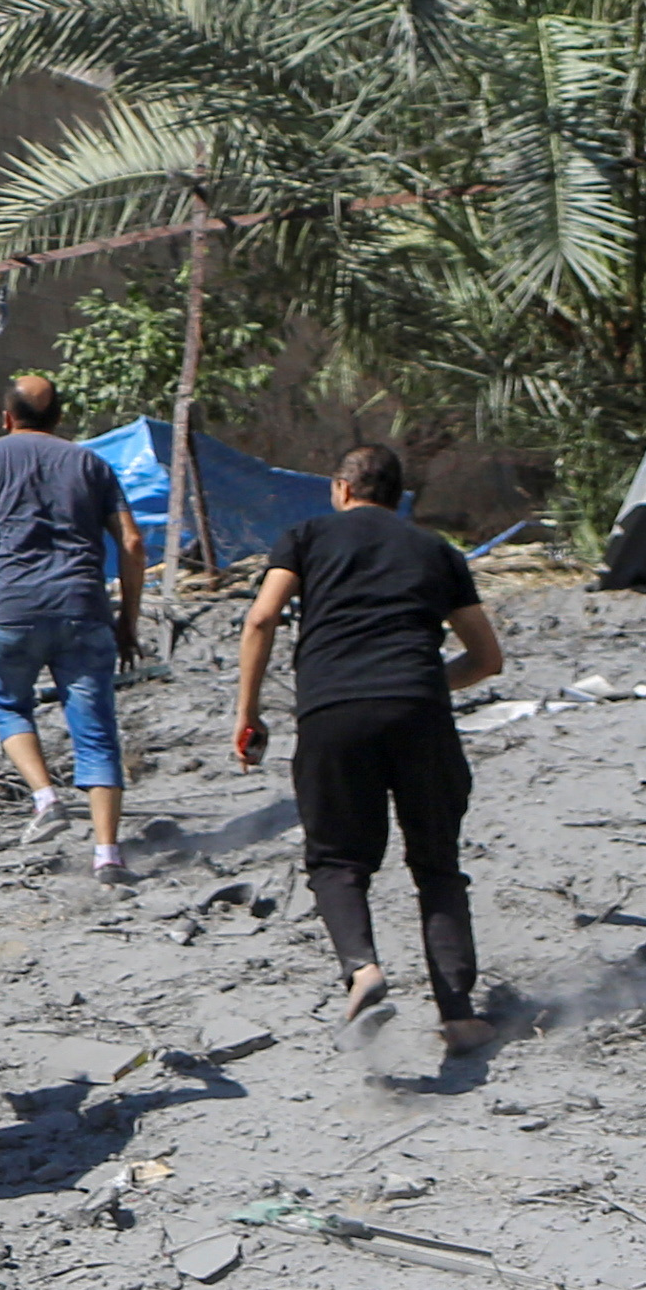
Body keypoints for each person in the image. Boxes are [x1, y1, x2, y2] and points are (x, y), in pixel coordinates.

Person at [230, 440, 507, 1052]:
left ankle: (363, 968)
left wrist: (248, 714)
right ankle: (458, 1014)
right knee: (436, 865)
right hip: (420, 714)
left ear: (342, 489)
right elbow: (488, 659)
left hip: (333, 713)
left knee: (337, 861)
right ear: (395, 496)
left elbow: (261, 619)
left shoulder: (305, 536)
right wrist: (422, 684)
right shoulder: (438, 550)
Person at [0, 371, 149, 883]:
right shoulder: (92, 463)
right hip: (83, 608)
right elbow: (133, 545)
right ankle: (108, 855)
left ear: (7, 418)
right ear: (59, 419)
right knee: (96, 732)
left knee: (9, 705)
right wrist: (128, 620)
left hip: (13, 609)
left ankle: (45, 796)